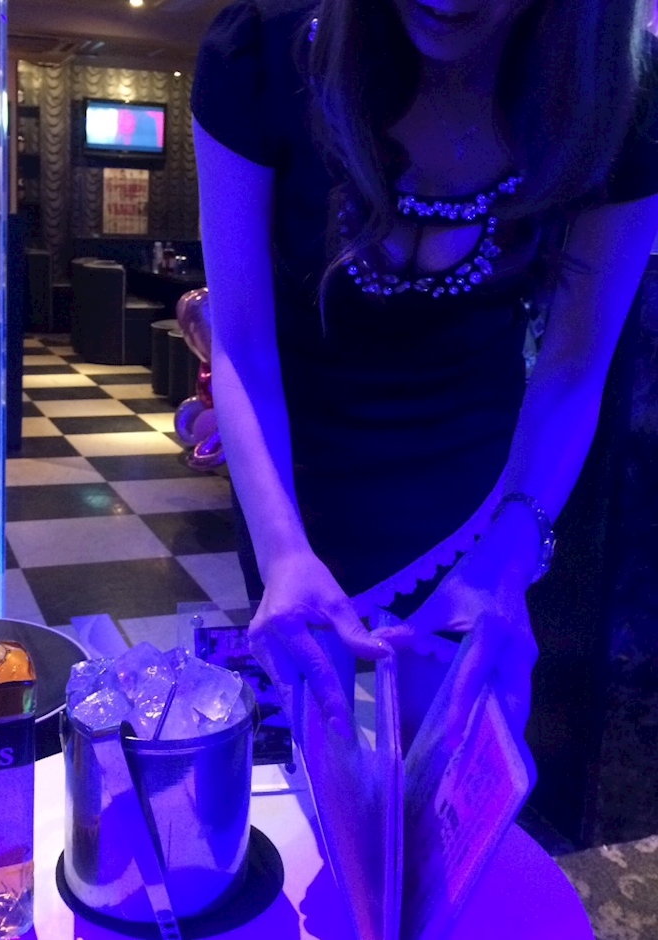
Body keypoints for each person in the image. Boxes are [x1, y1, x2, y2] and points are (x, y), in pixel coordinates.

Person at [191, 0, 658, 761]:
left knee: (449, 770)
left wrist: (509, 560)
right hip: (291, 473)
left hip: (478, 485)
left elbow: (574, 367)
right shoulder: (258, 51)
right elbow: (243, 342)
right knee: (319, 761)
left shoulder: (626, 98)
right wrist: (283, 552)